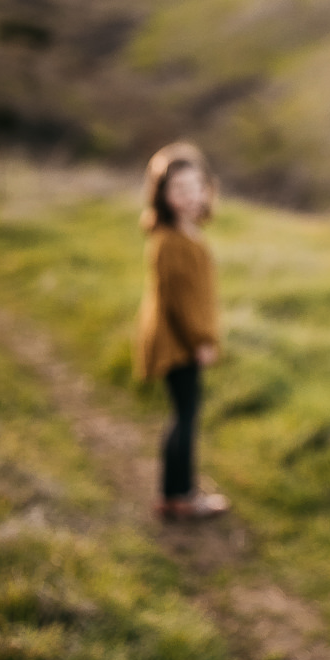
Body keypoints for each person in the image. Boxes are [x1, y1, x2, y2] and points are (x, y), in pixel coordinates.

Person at [134, 140, 229, 521]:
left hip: (181, 340)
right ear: (161, 196)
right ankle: (180, 496)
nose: (189, 196)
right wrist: (201, 341)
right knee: (186, 416)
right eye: (179, 190)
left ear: (207, 188)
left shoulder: (189, 233)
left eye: (195, 187)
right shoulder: (169, 242)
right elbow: (180, 303)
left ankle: (175, 493)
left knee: (185, 414)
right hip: (177, 343)